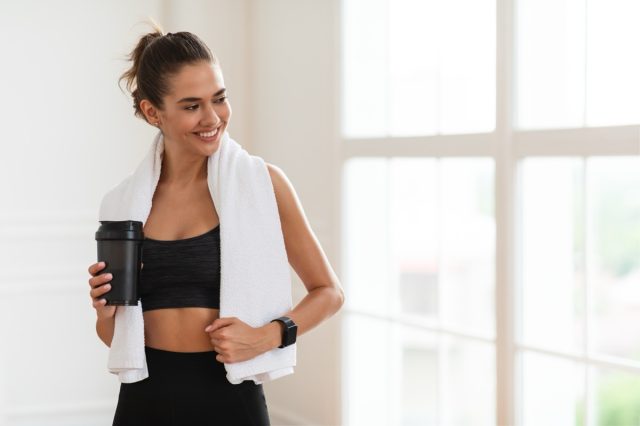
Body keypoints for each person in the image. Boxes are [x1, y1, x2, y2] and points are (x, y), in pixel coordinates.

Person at [86, 23, 344, 426]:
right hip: (144, 397)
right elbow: (116, 339)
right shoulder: (125, 202)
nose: (213, 118)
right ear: (153, 112)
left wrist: (269, 335)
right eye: (191, 106)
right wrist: (105, 314)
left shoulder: (263, 185)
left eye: (219, 99)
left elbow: (329, 292)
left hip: (228, 396)